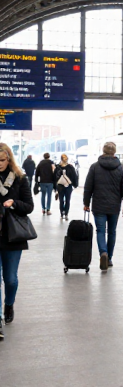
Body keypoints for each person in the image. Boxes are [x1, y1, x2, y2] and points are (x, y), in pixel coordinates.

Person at [0, 142, 34, 342]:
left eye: (2, 160)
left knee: (10, 279)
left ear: (9, 159)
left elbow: (29, 206)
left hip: (12, 236)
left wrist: (14, 203)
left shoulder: (20, 179)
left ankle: (9, 304)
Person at [83, 142, 123, 272]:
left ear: (103, 151)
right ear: (114, 152)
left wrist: (86, 203)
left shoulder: (94, 167)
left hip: (98, 205)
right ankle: (109, 258)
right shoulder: (121, 168)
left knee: (100, 231)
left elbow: (88, 187)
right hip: (114, 206)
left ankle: (103, 252)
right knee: (112, 232)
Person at [54, 154, 79, 221]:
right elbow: (74, 176)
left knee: (61, 200)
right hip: (68, 186)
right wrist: (75, 185)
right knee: (67, 200)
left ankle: (62, 213)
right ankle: (66, 214)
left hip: (60, 186)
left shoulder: (58, 167)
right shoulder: (70, 167)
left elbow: (54, 177)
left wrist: (55, 187)